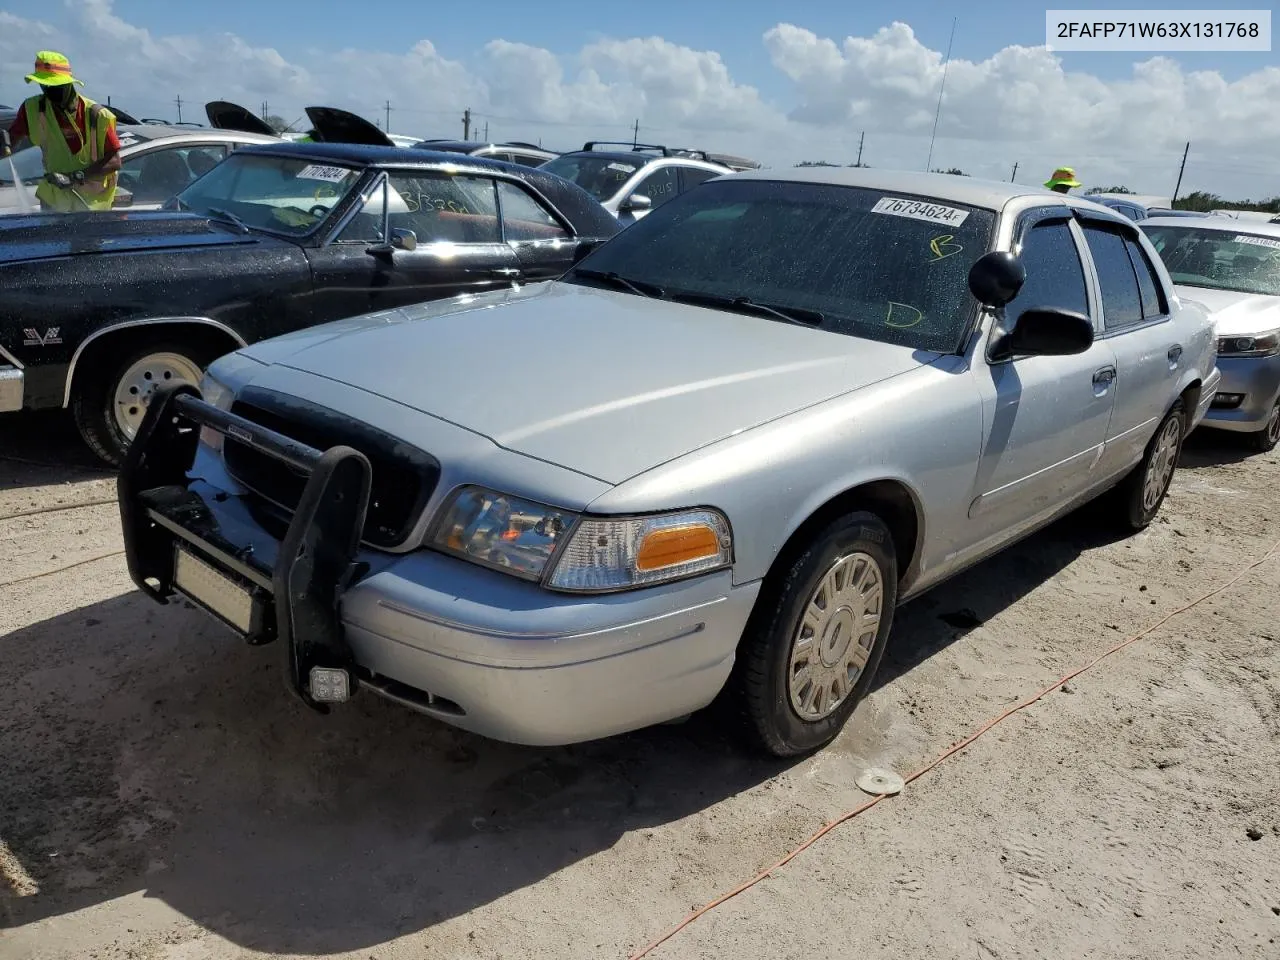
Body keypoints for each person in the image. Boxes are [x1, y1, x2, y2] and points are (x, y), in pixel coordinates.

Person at [2, 51, 121, 212]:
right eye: (44, 85)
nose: (49, 91)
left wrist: (75, 177)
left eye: (55, 86)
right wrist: (4, 143)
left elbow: (114, 161)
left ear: (69, 84)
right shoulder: (33, 109)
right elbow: (11, 140)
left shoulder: (97, 115)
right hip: (54, 201)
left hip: (91, 207)